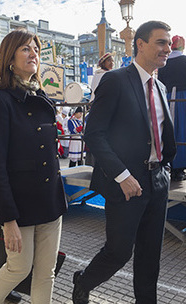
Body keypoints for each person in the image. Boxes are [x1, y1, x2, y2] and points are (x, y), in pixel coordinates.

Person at [72, 21, 176, 304]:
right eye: (161, 42)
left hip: (158, 180)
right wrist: (122, 175)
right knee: (118, 252)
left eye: (169, 43)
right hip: (127, 183)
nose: (168, 48)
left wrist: (164, 170)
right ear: (140, 44)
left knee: (150, 255)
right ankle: (84, 280)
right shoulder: (116, 80)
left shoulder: (161, 87)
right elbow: (93, 133)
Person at [0, 28, 67, 304]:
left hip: (50, 202)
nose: (34, 54)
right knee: (19, 268)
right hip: (19, 205)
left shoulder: (42, 99)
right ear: (10, 58)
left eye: (36, 49)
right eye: (26, 49)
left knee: (46, 273)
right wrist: (8, 220)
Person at [158, 35, 186, 181]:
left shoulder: (164, 63)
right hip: (182, 99)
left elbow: (160, 82)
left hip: (166, 98)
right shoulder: (184, 60)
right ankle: (180, 167)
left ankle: (170, 164)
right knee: (182, 131)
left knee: (168, 130)